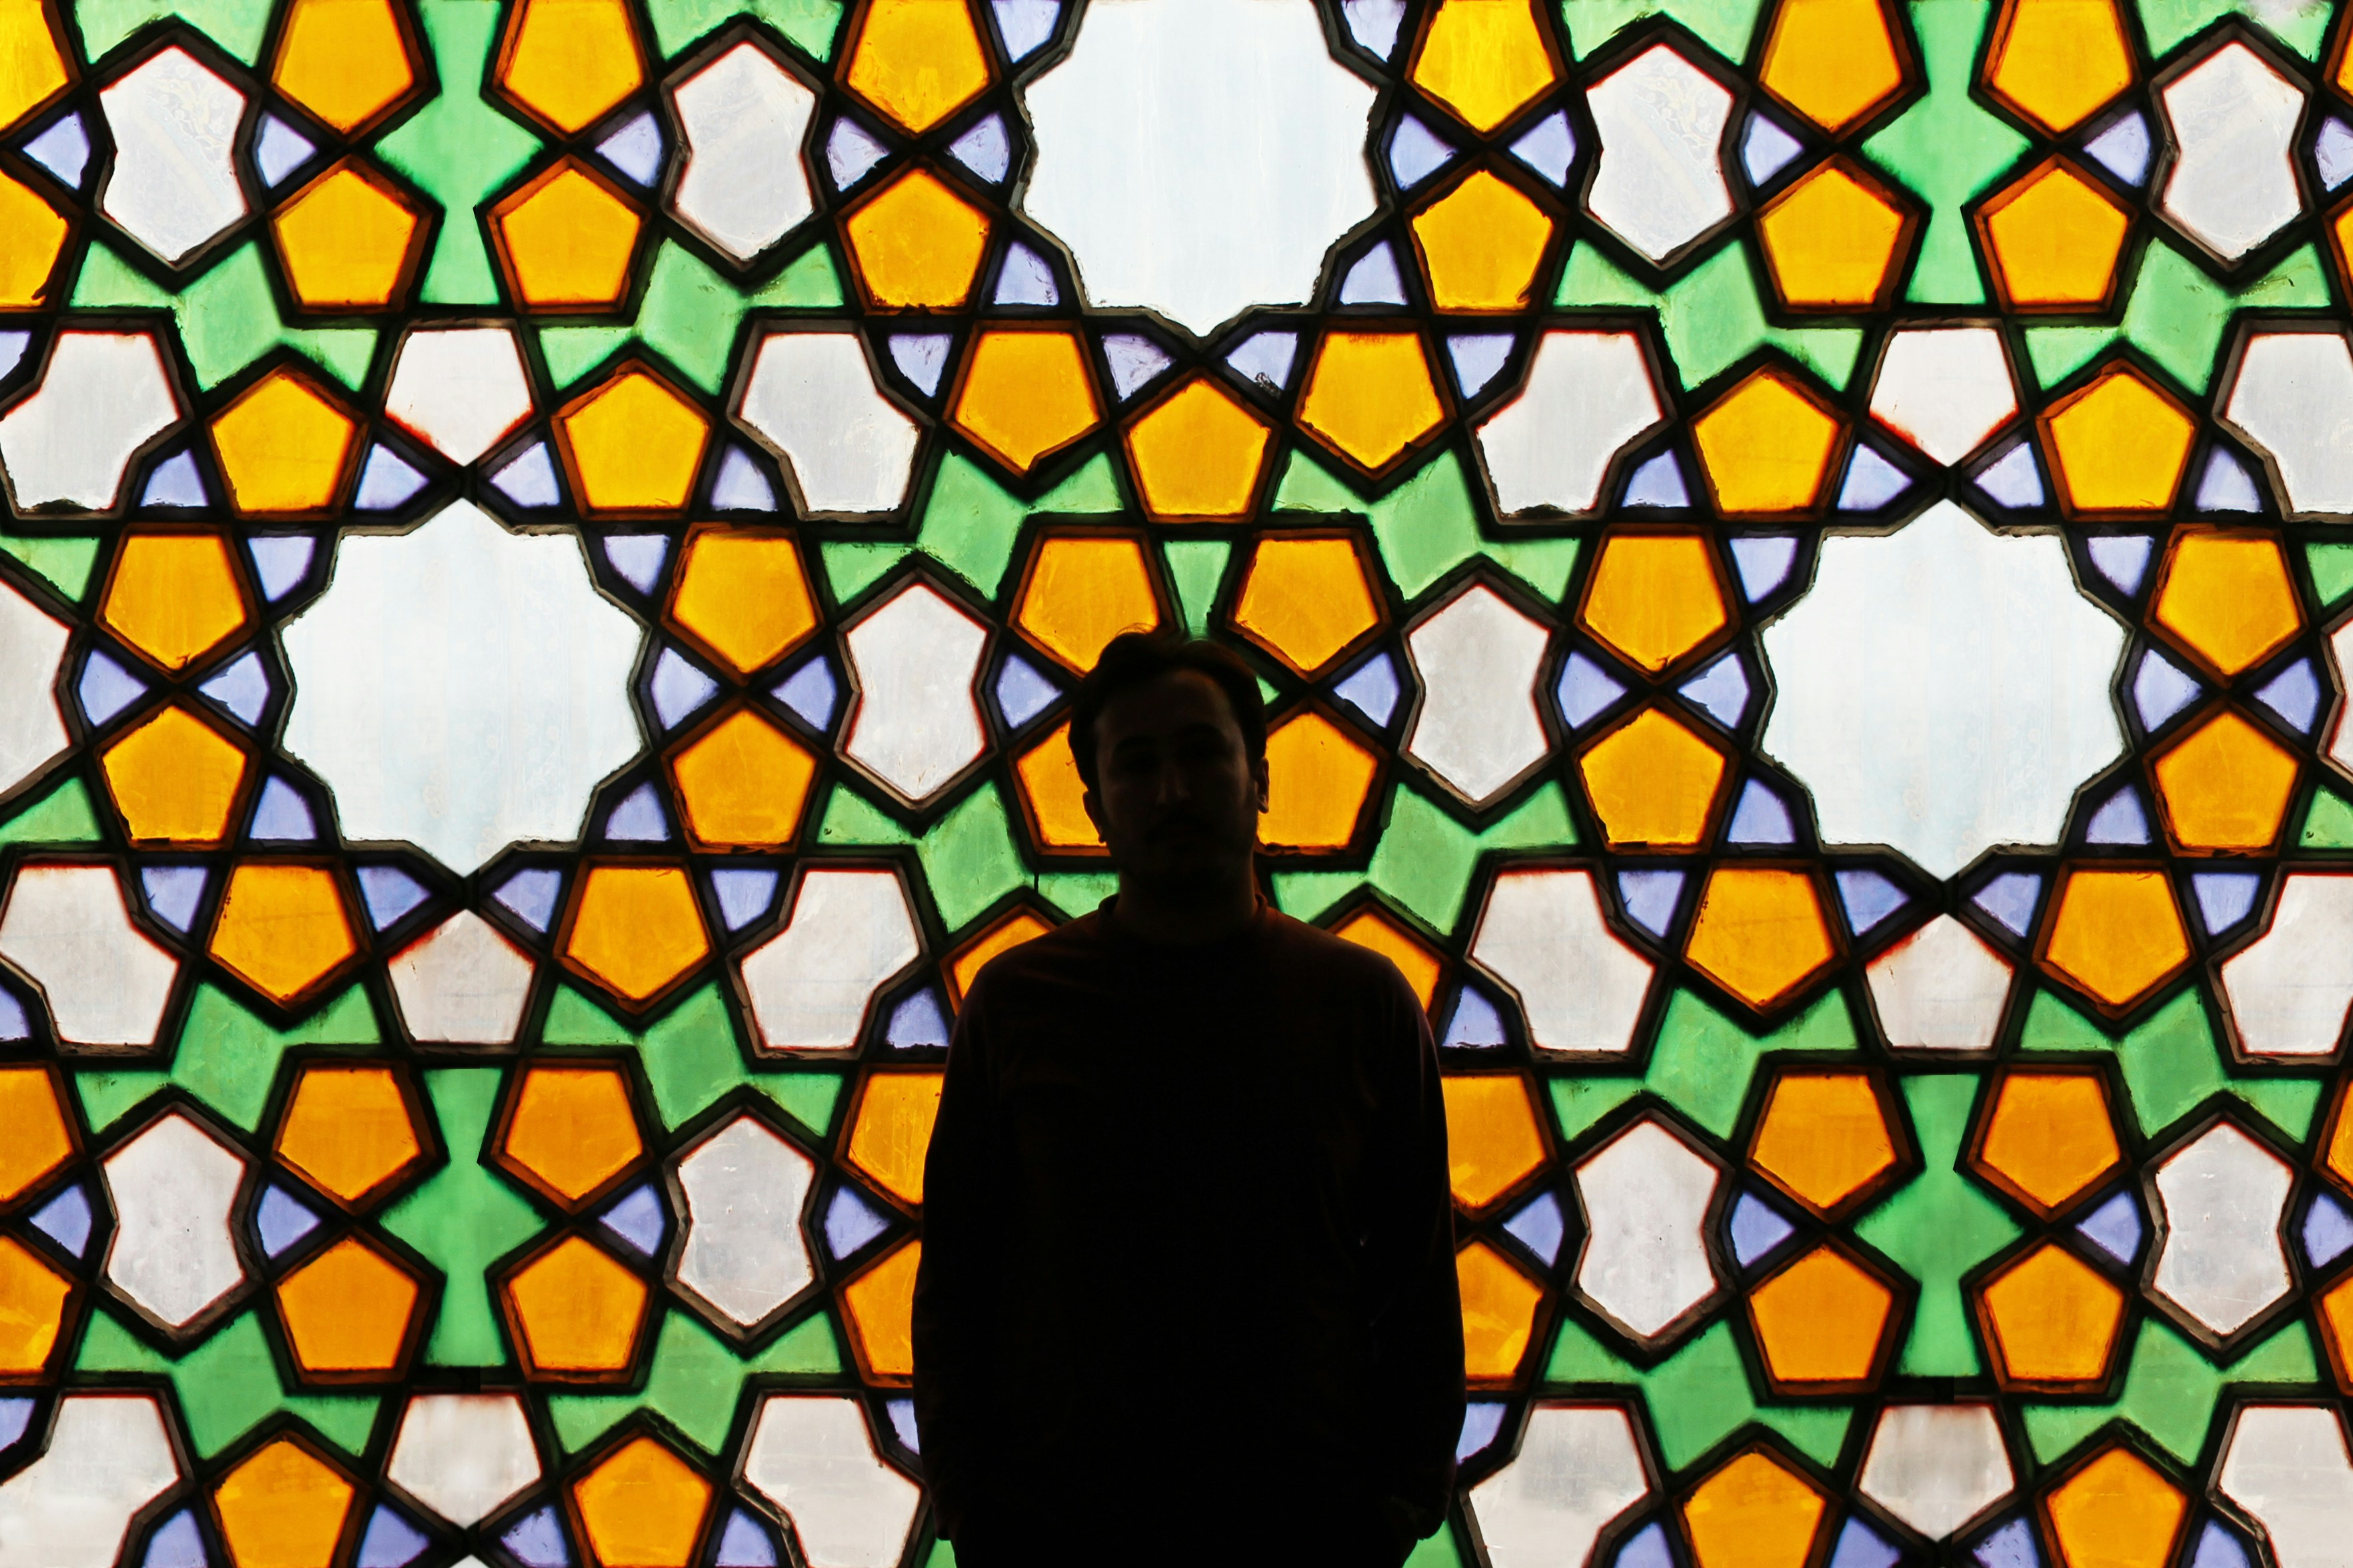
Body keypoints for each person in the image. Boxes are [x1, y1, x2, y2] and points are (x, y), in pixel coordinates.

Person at [912, 630, 1464, 1566]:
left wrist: (1391, 1507)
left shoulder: (1362, 1007)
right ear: (1094, 805)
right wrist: (975, 1510)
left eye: (1202, 752)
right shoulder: (1016, 1009)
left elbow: (1415, 1288)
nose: (1173, 790)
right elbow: (959, 1284)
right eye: (1136, 763)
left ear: (1259, 777)